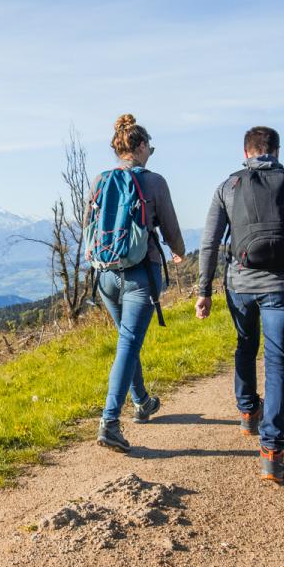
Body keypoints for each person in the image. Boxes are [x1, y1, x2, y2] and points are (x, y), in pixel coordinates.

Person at [195, 126, 284, 482]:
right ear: (277, 151)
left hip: (240, 284)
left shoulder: (229, 186)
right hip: (283, 285)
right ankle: (272, 451)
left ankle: (248, 411)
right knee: (277, 363)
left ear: (246, 152)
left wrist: (204, 290)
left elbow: (209, 243)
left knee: (245, 344)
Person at [88, 114, 188, 453]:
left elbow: (90, 224)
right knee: (128, 344)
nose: (150, 154)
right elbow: (171, 226)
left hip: (105, 274)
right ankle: (109, 422)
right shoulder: (154, 181)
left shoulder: (101, 179)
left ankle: (142, 401)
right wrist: (179, 251)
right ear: (141, 146)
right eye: (150, 148)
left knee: (126, 342)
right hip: (141, 273)